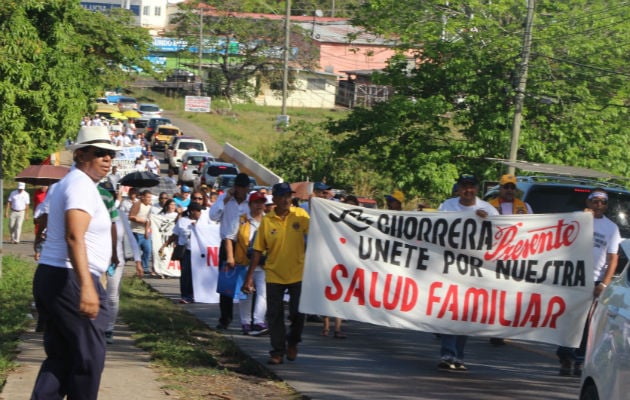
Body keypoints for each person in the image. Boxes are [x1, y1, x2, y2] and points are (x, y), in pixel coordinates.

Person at [31, 126, 119, 399]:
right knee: (89, 358)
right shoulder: (80, 184)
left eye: (110, 154)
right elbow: (73, 236)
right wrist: (87, 287)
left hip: (56, 275)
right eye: (100, 152)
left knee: (63, 356)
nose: (107, 159)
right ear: (81, 154)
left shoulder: (71, 183)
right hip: (70, 276)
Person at [242, 182, 310, 365]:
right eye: (283, 196)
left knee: (297, 313)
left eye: (289, 196)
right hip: (273, 274)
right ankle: (277, 351)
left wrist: (316, 206)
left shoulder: (300, 215)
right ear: (276, 199)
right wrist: (249, 278)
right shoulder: (267, 220)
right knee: (274, 315)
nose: (287, 200)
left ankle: (293, 341)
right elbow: (257, 250)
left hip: (298, 273)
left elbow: (317, 231)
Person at [437, 173, 499, 371]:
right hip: (449, 266)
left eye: (471, 186)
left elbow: (501, 234)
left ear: (477, 188)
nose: (468, 190)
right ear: (458, 188)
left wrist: (487, 221)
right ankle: (448, 353)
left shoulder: (488, 209)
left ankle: (458, 355)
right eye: (464, 186)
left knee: (464, 314)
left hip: (474, 270)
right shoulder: (447, 206)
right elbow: (433, 229)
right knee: (449, 309)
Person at [556, 188, 621, 376]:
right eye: (595, 201)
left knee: (587, 323)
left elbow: (613, 259)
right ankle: (565, 356)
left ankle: (579, 359)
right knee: (569, 319)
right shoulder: (576, 217)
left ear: (606, 205)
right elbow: (562, 240)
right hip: (573, 277)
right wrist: (581, 221)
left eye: (602, 202)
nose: (598, 205)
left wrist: (604, 284)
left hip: (594, 280)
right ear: (588, 202)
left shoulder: (611, 228)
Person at [487, 174, 533, 345]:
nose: (509, 190)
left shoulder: (525, 207)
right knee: (493, 293)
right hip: (493, 256)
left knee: (509, 294)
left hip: (515, 256)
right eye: (506, 187)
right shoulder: (490, 206)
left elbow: (533, 229)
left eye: (512, 187)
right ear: (500, 188)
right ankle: (492, 326)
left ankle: (501, 329)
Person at [210, 173, 252, 330]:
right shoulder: (225, 199)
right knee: (226, 283)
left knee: (247, 281)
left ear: (247, 188)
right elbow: (213, 216)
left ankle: (248, 319)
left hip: (246, 244)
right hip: (228, 243)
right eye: (238, 187)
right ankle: (225, 318)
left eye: (243, 187)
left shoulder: (251, 202)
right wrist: (225, 200)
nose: (240, 190)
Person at [228, 191, 268, 336]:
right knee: (246, 293)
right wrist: (230, 257)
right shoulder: (241, 220)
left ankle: (258, 321)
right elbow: (229, 238)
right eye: (256, 202)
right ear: (250, 204)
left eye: (262, 202)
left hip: (263, 263)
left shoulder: (268, 220)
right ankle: (246, 322)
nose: (259, 205)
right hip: (244, 262)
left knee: (263, 293)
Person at [161, 201, 204, 304]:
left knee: (197, 274)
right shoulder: (182, 221)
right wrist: (165, 245)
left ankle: (197, 294)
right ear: (192, 212)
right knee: (186, 274)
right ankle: (186, 295)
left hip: (199, 252)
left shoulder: (203, 221)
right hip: (186, 252)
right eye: (198, 211)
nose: (200, 214)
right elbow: (175, 234)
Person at [129, 189, 154, 276]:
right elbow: (131, 216)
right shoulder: (137, 204)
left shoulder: (150, 206)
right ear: (142, 197)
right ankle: (136, 269)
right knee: (136, 252)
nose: (149, 199)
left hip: (145, 232)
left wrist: (147, 231)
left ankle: (145, 268)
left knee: (148, 250)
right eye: (148, 197)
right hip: (136, 231)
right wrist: (140, 220)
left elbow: (149, 219)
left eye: (150, 197)